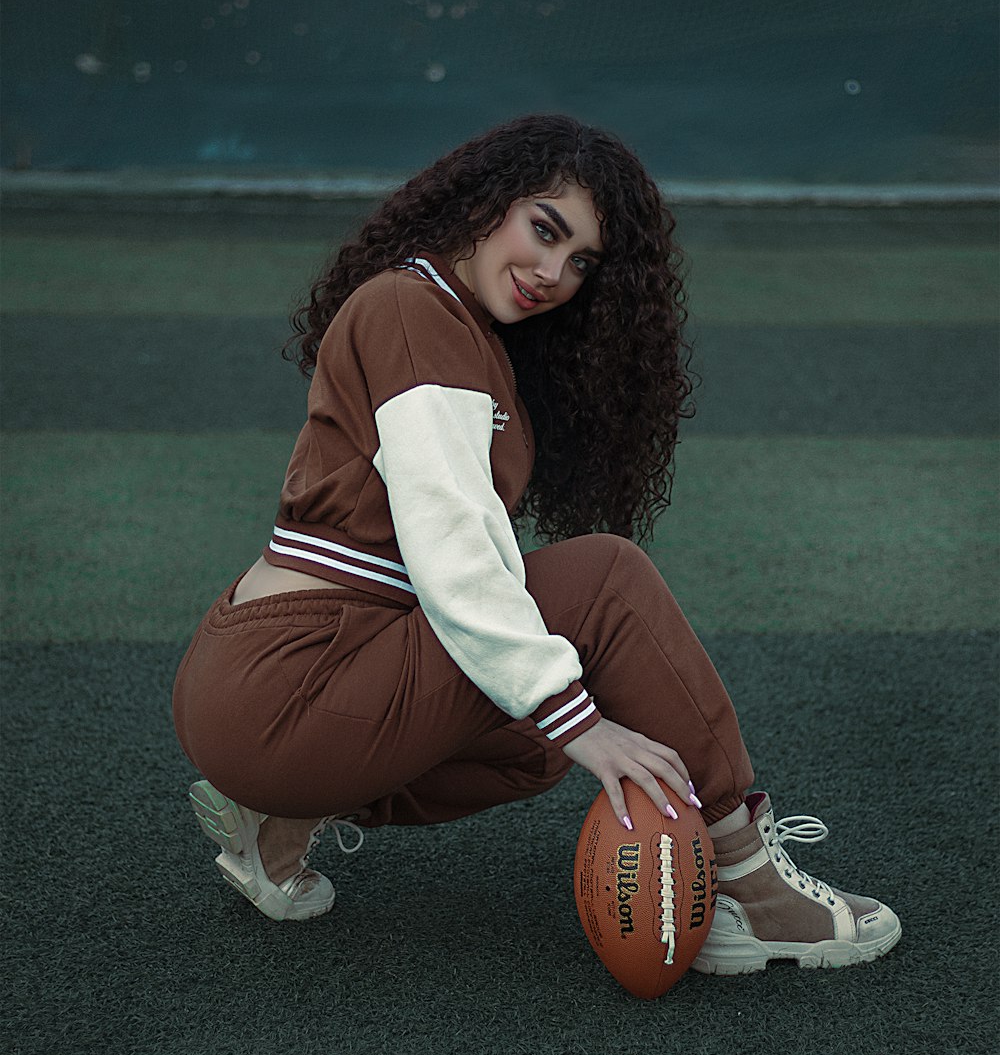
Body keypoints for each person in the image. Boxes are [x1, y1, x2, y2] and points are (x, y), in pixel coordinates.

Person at [172, 113, 901, 975]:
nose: (553, 273)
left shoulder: (454, 325)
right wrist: (582, 721)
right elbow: (454, 546)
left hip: (274, 682)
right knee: (603, 578)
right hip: (291, 681)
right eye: (544, 229)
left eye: (582, 261)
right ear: (487, 202)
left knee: (529, 750)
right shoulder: (414, 311)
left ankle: (277, 814)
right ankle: (749, 880)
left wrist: (559, 723)